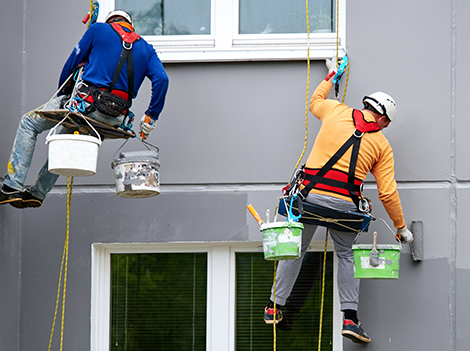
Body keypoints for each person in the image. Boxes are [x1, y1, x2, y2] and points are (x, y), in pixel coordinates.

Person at [263, 58, 413, 344]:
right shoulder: (382, 145)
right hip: (345, 207)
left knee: (295, 249)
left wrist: (332, 74)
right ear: (382, 119)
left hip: (309, 198)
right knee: (345, 254)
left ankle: (274, 307)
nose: (385, 128)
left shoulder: (335, 110)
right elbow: (387, 192)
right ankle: (350, 319)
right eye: (387, 124)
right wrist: (400, 227)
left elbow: (315, 100)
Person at [0, 10, 169, 209]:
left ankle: (13, 185)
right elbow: (162, 79)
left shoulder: (98, 29)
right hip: (116, 118)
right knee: (66, 138)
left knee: (29, 122)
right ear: (129, 25)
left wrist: (63, 94)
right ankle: (36, 193)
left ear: (110, 21)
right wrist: (151, 117)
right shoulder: (147, 49)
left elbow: (73, 62)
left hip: (85, 105)